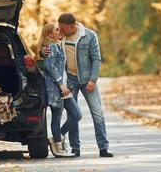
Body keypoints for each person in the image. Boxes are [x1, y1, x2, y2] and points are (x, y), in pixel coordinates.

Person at [41, 13, 113, 157]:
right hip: (70, 80)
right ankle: (75, 148)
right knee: (72, 114)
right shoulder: (61, 37)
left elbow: (97, 59)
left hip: (87, 79)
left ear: (72, 26)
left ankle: (103, 148)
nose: (60, 31)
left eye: (63, 28)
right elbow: (50, 51)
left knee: (97, 112)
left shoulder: (89, 35)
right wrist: (41, 52)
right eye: (59, 28)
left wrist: (93, 79)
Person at [37, 22, 82, 158]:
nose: (60, 30)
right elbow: (50, 67)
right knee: (57, 118)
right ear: (50, 34)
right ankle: (58, 147)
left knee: (76, 115)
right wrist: (61, 85)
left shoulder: (57, 45)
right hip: (57, 89)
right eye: (57, 29)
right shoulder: (52, 47)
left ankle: (56, 138)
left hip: (64, 88)